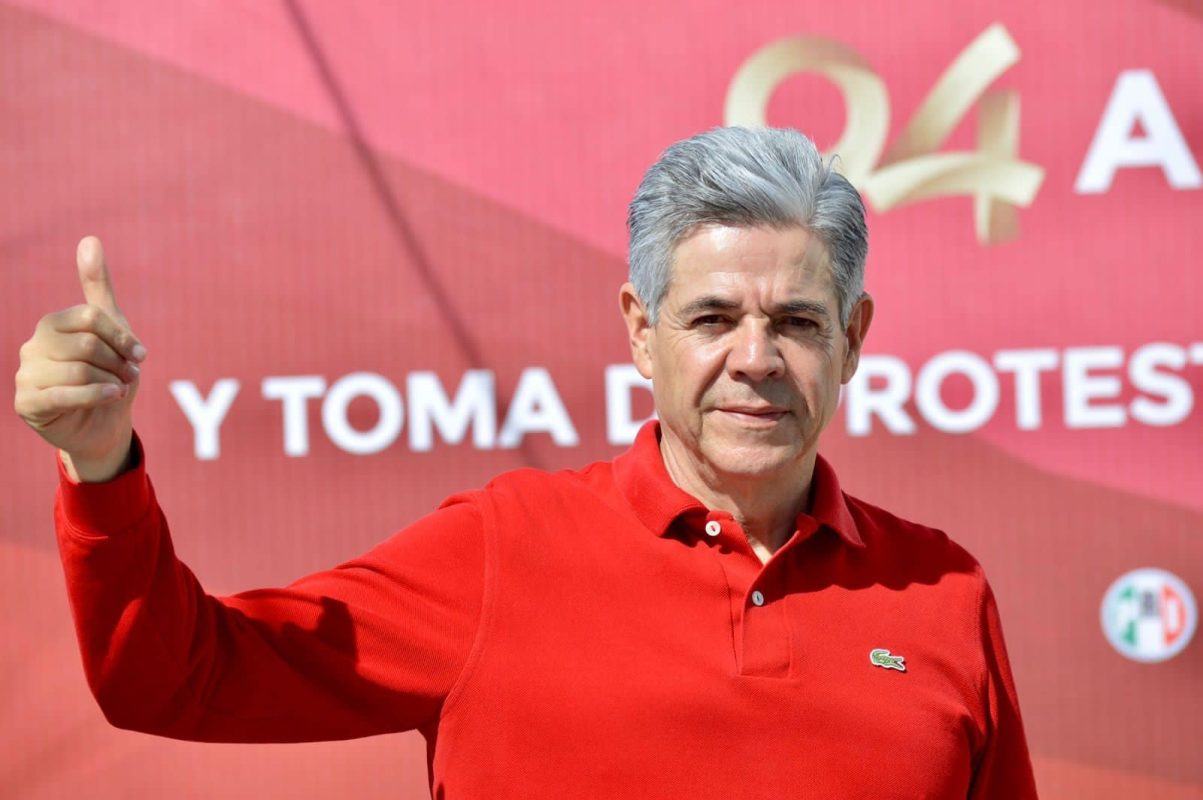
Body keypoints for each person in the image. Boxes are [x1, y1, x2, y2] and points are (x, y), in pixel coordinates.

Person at [14, 127, 1038, 798]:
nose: (757, 359)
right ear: (640, 332)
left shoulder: (942, 593)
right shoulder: (501, 550)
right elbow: (175, 679)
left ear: (852, 339)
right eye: (712, 318)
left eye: (799, 321)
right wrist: (100, 468)